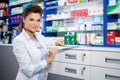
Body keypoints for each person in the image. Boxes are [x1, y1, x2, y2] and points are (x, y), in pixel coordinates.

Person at [13, 4, 64, 80]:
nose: (35, 24)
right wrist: (48, 60)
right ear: (23, 19)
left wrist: (57, 42)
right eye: (31, 20)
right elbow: (28, 70)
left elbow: (48, 41)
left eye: (38, 20)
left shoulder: (38, 36)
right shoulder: (19, 41)